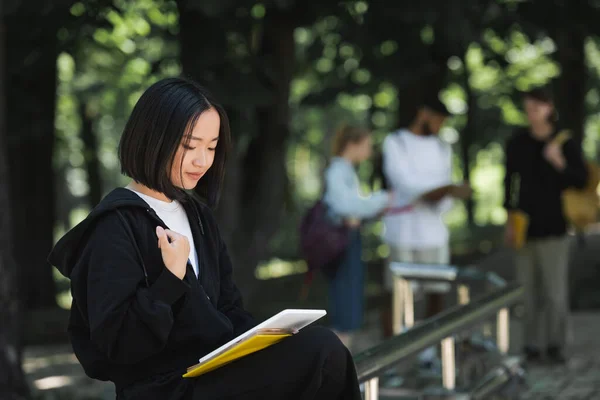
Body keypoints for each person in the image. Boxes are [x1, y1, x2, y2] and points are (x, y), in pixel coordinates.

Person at [48, 77, 362, 400]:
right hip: (163, 389)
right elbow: (117, 345)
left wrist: (269, 337)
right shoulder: (114, 226)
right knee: (322, 353)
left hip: (214, 373)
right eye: (189, 146)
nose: (202, 160)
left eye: (211, 147)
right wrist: (170, 280)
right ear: (154, 138)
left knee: (319, 351)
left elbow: (228, 308)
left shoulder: (197, 217)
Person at [380, 96, 471, 365]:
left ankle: (429, 350)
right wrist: (445, 190)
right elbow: (407, 186)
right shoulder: (396, 143)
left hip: (433, 232)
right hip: (402, 231)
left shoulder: (442, 148)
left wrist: (447, 193)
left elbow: (442, 194)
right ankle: (390, 354)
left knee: (436, 291)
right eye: (438, 119)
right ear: (423, 112)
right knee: (397, 294)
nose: (440, 125)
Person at [504, 87, 587, 364]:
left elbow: (582, 180)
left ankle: (555, 345)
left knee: (555, 293)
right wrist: (509, 220)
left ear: (549, 107)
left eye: (536, 108)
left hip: (555, 227)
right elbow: (508, 182)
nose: (532, 114)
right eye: (528, 108)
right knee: (526, 292)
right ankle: (530, 345)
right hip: (525, 227)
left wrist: (558, 161)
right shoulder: (517, 142)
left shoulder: (565, 142)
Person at [322, 125, 392, 349]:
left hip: (349, 240)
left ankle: (343, 365)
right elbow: (345, 206)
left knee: (349, 304)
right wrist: (382, 200)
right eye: (367, 145)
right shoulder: (337, 171)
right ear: (353, 144)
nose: (369, 151)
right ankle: (337, 366)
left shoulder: (346, 171)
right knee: (345, 306)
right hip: (342, 242)